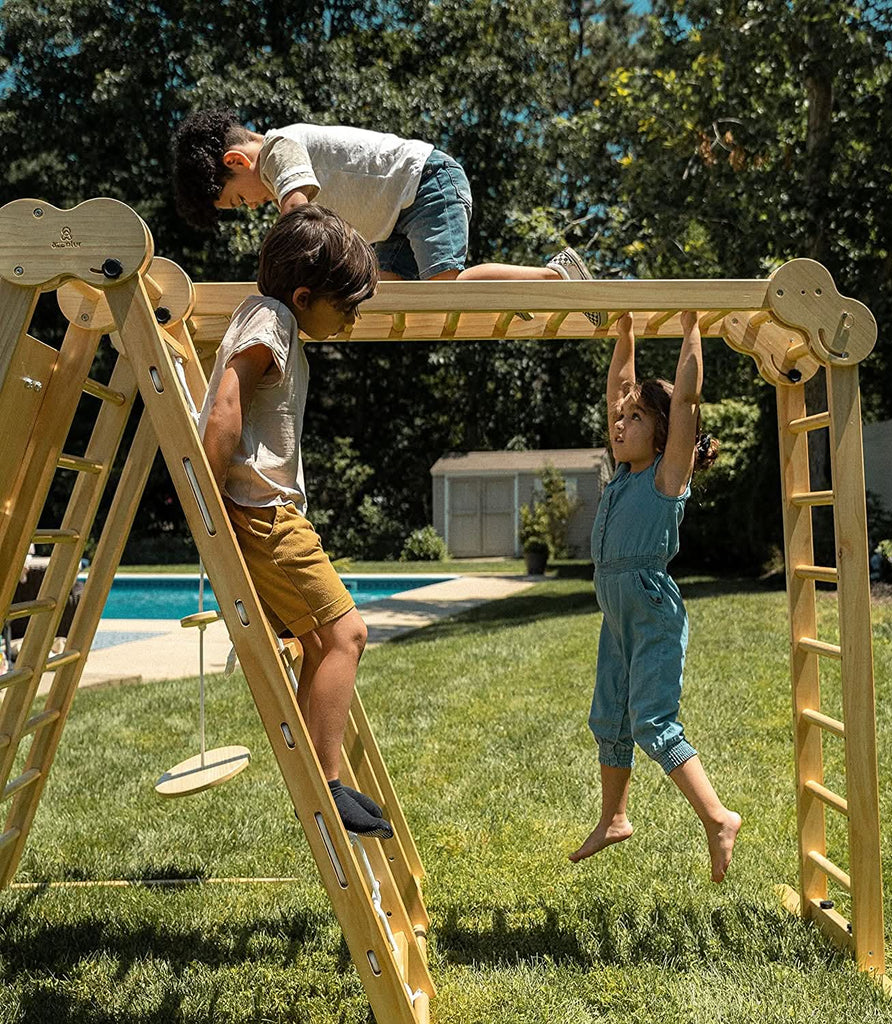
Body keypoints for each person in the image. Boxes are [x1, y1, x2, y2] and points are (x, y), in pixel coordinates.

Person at [199, 203, 392, 839]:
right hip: (264, 515)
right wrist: (208, 499)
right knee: (347, 635)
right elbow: (225, 403)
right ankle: (327, 784)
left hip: (271, 512)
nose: (352, 320)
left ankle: (319, 773)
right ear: (305, 297)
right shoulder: (271, 317)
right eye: (348, 308)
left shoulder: (280, 322)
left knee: (317, 642)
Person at [569, 311, 741, 881]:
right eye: (619, 419)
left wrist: (691, 327)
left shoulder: (667, 477)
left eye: (635, 418)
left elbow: (687, 400)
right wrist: (625, 335)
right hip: (618, 615)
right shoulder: (622, 472)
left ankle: (718, 817)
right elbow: (618, 388)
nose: (619, 425)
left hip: (651, 612)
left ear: (666, 434)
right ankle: (614, 817)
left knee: (651, 721)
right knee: (609, 716)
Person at [171, 110, 607, 325]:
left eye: (239, 201)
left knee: (444, 288)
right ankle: (507, 290)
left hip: (426, 183)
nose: (251, 207)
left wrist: (281, 283)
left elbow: (298, 213)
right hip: (394, 220)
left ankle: (555, 275)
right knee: (378, 293)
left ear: (236, 161)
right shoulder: (274, 160)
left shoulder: (278, 149)